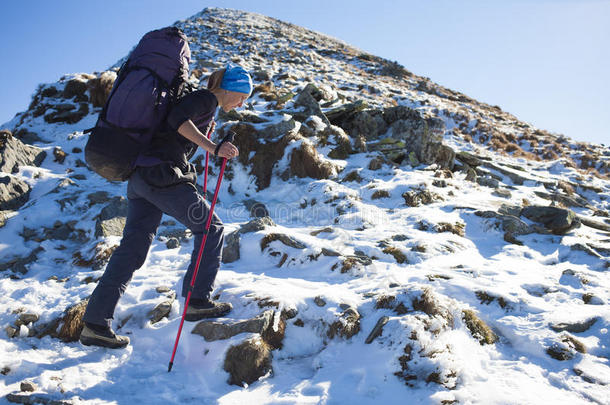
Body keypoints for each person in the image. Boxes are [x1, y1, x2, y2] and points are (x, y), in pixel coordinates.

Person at [79, 63, 252, 349]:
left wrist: (207, 139)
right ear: (230, 88)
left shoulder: (201, 102)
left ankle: (95, 324)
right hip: (161, 176)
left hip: (140, 180)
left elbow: (174, 126)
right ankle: (197, 300)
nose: (243, 102)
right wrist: (213, 148)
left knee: (132, 250)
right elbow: (177, 121)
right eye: (243, 95)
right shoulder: (205, 99)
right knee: (211, 227)